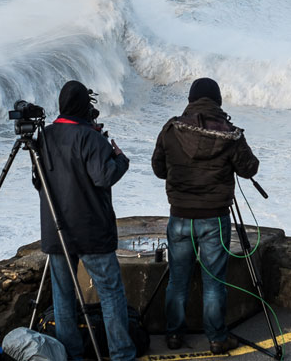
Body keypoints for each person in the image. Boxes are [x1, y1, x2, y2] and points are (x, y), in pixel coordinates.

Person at [151, 77, 260, 354]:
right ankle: (216, 338)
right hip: (214, 218)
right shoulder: (228, 133)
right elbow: (250, 168)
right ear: (218, 101)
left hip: (179, 217)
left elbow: (158, 168)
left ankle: (174, 335)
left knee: (177, 280)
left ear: (191, 100)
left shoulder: (172, 128)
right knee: (214, 283)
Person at [37, 80, 135, 361]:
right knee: (110, 292)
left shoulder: (44, 137)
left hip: (57, 232)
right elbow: (104, 177)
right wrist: (120, 159)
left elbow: (38, 181)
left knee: (63, 297)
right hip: (92, 231)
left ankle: (71, 354)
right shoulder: (91, 138)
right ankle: (121, 354)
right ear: (83, 106)